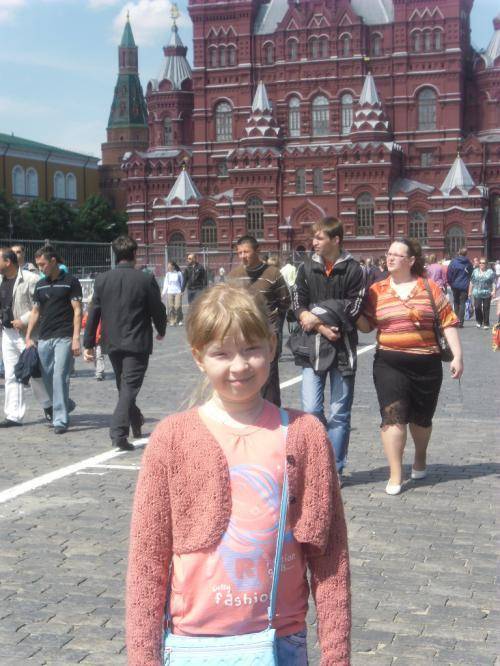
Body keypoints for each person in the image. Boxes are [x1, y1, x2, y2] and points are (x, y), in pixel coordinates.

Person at [125, 284, 351, 666]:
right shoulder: (172, 439)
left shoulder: (304, 435)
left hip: (280, 641)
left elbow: (330, 557)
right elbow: (147, 561)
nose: (239, 366)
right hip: (194, 643)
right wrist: (143, 659)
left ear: (272, 347)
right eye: (222, 353)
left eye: (251, 349)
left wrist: (337, 656)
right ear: (199, 357)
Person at [357, 239, 463, 495]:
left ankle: (420, 455)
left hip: (426, 364)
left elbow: (448, 321)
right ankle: (396, 473)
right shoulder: (376, 290)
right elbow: (367, 326)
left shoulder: (429, 287)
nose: (390, 258)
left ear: (411, 260)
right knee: (393, 416)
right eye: (389, 253)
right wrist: (352, 312)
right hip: (389, 363)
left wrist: (458, 356)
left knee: (421, 419)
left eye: (397, 254)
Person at [292, 218, 365, 480]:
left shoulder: (354, 269)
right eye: (314, 238)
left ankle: (334, 470)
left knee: (339, 414)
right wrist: (317, 324)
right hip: (312, 347)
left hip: (343, 348)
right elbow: (297, 301)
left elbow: (353, 308)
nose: (313, 242)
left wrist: (315, 315)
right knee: (311, 410)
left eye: (319, 238)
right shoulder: (306, 267)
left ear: (336, 240)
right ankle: (319, 458)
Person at [83, 236, 167, 450]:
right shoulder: (145, 279)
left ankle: (135, 419)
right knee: (128, 387)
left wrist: (88, 343)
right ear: (134, 254)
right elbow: (157, 308)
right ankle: (118, 433)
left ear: (115, 254)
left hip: (112, 342)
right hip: (137, 342)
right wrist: (161, 329)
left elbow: (93, 313)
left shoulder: (102, 279)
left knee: (124, 386)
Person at [25, 246, 82, 435]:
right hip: (44, 337)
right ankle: (65, 403)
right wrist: (29, 336)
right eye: (38, 265)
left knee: (60, 376)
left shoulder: (71, 282)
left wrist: (76, 338)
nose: (40, 268)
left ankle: (60, 420)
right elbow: (35, 312)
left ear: (53, 261)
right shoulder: (40, 284)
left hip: (64, 336)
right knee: (46, 377)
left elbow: (77, 310)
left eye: (42, 264)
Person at [228, 235, 291, 406]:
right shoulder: (233, 276)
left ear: (257, 251)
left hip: (267, 333)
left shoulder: (272, 273)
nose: (243, 256)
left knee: (269, 376)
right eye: (240, 253)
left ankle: (273, 413)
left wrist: (274, 321)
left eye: (246, 252)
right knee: (245, 375)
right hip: (242, 335)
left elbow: (285, 300)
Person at [0, 248, 50, 427]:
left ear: (8, 262)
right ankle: (14, 415)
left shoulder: (31, 279)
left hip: (27, 333)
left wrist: (24, 320)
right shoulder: (1, 280)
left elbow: (43, 305)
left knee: (33, 371)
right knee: (11, 374)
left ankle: (50, 405)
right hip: (7, 333)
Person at [447, 248, 473, 327]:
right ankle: (461, 322)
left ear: (459, 253)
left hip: (455, 285)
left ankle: (456, 321)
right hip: (464, 285)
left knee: (456, 302)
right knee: (462, 303)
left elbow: (449, 273)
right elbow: (471, 273)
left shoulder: (453, 262)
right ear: (466, 254)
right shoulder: (468, 263)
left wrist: (451, 283)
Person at [469, 257, 495, 329]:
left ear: (486, 264)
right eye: (480, 263)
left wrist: (493, 291)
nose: (481, 264)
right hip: (477, 292)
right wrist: (469, 292)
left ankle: (486, 323)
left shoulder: (490, 272)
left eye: (483, 263)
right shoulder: (475, 271)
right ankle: (479, 321)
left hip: (487, 292)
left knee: (486, 308)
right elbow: (472, 282)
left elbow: (493, 282)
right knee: (477, 307)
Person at [161, 261, 184, 326]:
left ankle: (179, 320)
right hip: (170, 292)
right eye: (168, 266)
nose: (168, 268)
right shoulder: (168, 274)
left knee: (178, 306)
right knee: (171, 307)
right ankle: (172, 320)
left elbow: (182, 283)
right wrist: (163, 293)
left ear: (173, 266)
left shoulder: (179, 273)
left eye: (170, 266)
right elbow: (166, 285)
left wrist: (182, 291)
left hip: (178, 292)